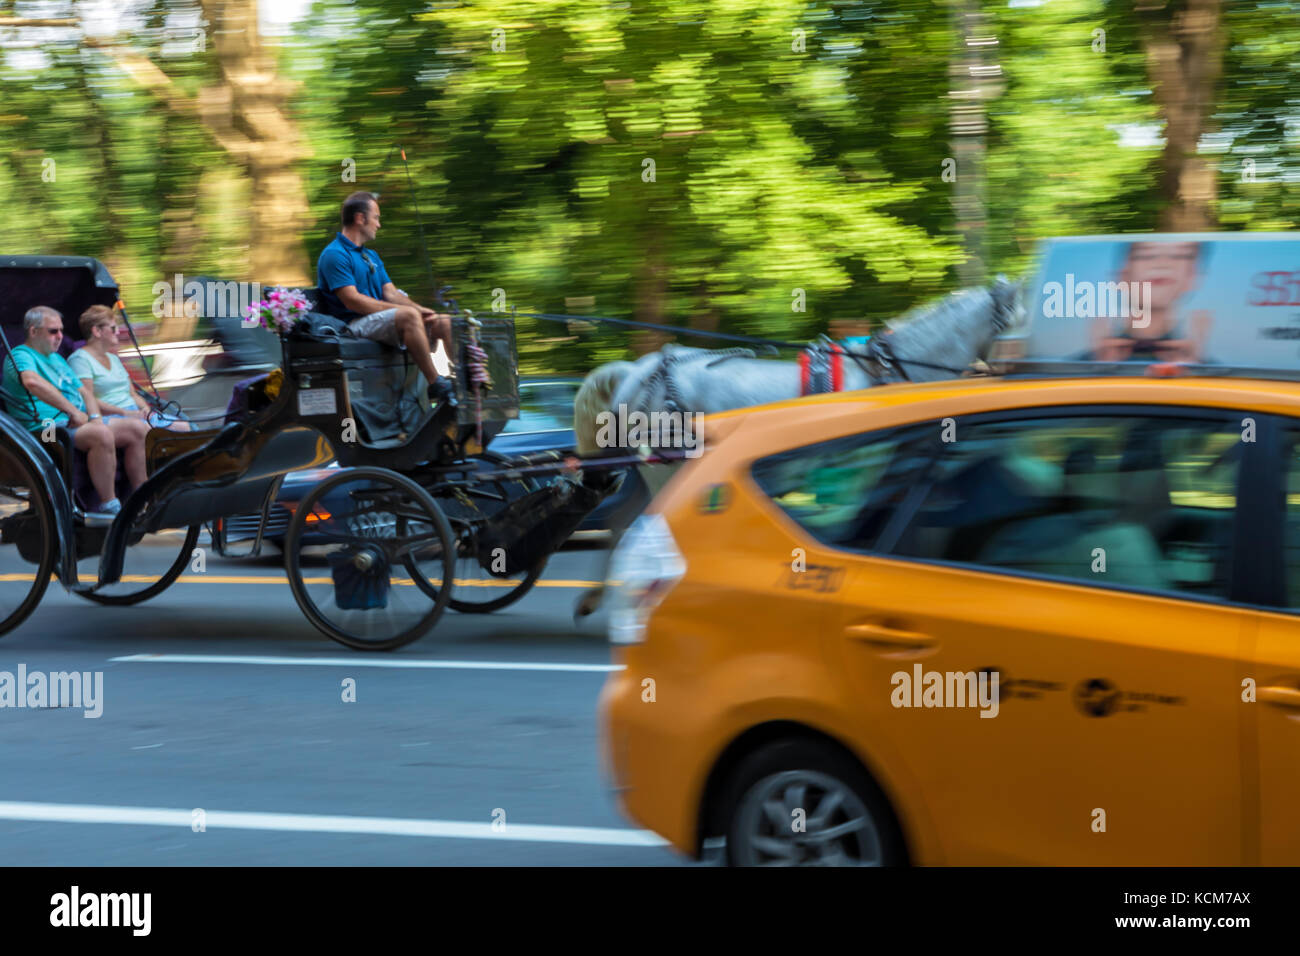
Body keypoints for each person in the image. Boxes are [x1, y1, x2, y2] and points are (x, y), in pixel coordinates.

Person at [1, 306, 149, 524]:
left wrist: (95, 417)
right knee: (102, 435)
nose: (60, 336)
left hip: (75, 421)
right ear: (33, 332)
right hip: (45, 427)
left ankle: (143, 498)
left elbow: (84, 392)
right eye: (53, 331)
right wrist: (74, 412)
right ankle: (109, 505)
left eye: (61, 331)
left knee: (139, 429)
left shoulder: (58, 359)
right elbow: (32, 382)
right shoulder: (21, 355)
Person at [317, 191, 455, 399]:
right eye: (376, 218)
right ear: (360, 218)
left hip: (381, 321)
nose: (378, 225)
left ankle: (467, 380)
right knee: (408, 316)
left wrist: (420, 310)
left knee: (443, 321)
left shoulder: (369, 255)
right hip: (353, 326)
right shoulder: (335, 254)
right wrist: (406, 312)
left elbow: (390, 292)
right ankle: (435, 383)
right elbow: (352, 301)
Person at [69, 305, 191, 432]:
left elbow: (132, 393)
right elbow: (88, 399)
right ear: (97, 331)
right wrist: (125, 412)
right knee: (147, 430)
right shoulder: (80, 360)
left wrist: (146, 411)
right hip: (111, 417)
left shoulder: (114, 359)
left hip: (133, 413)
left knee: (183, 426)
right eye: (113, 328)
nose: (117, 332)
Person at [1089, 240, 1213, 363]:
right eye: (1147, 255)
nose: (1162, 264)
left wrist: (1196, 371)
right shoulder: (1079, 368)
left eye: (1178, 255)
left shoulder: (1213, 373)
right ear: (1123, 274)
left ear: (1192, 276)